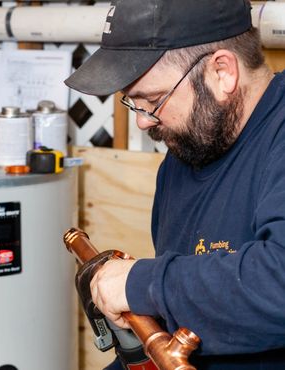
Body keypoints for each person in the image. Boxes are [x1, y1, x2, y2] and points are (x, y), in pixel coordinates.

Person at [65, 0, 285, 369]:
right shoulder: (189, 150)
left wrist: (141, 284)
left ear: (222, 71)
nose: (143, 123)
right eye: (134, 104)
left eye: (153, 100)